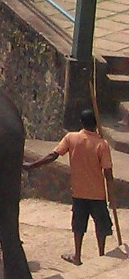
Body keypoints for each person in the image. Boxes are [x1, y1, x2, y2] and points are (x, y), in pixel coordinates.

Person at [25, 109, 116, 264]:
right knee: (101, 225)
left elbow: (53, 156)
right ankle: (101, 254)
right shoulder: (102, 144)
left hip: (78, 192)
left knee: (78, 226)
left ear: (81, 123)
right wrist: (112, 196)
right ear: (96, 124)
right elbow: (107, 172)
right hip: (97, 193)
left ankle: (77, 256)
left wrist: (32, 165)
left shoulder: (71, 138)